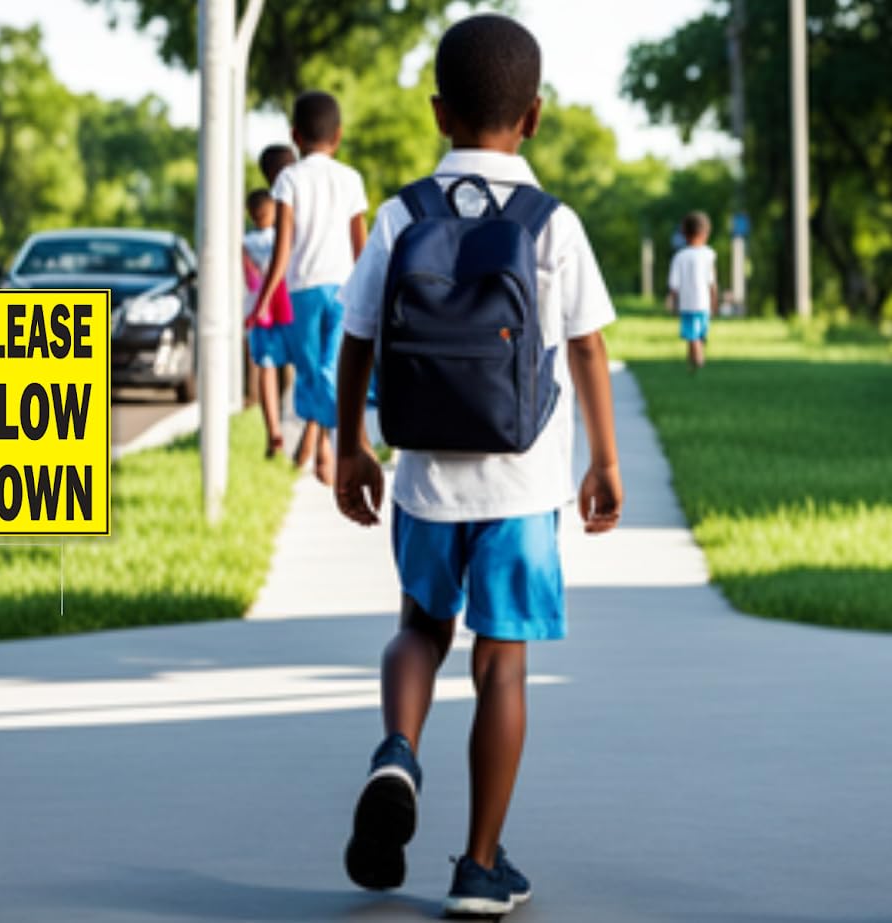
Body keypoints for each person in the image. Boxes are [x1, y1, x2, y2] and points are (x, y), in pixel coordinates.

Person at [333, 13, 623, 917]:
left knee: (420, 627)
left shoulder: (398, 213)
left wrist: (350, 444)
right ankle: (480, 865)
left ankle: (396, 752)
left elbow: (357, 339)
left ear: (437, 112)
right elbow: (587, 351)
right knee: (502, 663)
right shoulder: (552, 223)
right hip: (524, 484)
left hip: (425, 477)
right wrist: (604, 462)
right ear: (533, 116)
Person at [251, 92, 368, 486]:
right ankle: (326, 447)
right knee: (329, 370)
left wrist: (264, 299)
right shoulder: (351, 178)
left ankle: (330, 444)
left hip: (301, 291)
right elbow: (361, 248)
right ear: (338, 136)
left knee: (310, 373)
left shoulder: (289, 178)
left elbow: (282, 246)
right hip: (344, 290)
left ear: (295, 136)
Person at [241, 188, 292, 457]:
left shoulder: (245, 242)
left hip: (263, 308)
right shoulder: (283, 237)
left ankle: (275, 428)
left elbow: (249, 279)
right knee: (281, 367)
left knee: (267, 367)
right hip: (282, 304)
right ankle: (278, 426)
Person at [668, 211, 718, 372]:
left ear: (684, 233)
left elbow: (674, 285)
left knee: (691, 336)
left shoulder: (679, 256)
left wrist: (674, 303)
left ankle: (694, 362)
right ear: (705, 233)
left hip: (687, 303)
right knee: (700, 334)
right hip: (703, 303)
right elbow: (712, 281)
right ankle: (698, 361)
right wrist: (714, 300)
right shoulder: (709, 254)